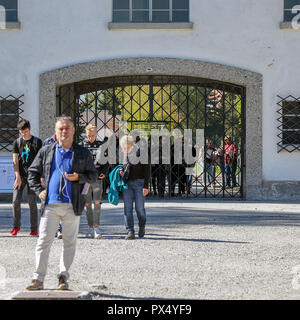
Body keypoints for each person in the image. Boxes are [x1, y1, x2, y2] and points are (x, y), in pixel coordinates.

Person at [25, 117, 97, 291]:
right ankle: (38, 279)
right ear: (56, 132)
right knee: (43, 241)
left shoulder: (82, 153)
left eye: (67, 128)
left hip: (72, 205)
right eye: (61, 129)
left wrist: (79, 177)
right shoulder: (46, 151)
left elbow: (93, 175)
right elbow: (32, 172)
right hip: (50, 205)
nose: (64, 131)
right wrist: (39, 190)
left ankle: (63, 277)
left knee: (69, 243)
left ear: (73, 131)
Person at [11, 119, 43, 236]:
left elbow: (41, 160)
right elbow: (15, 160)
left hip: (33, 177)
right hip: (20, 176)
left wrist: (41, 176)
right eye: (21, 131)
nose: (23, 133)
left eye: (25, 131)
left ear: (29, 128)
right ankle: (16, 227)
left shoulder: (37, 142)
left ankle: (34, 229)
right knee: (15, 201)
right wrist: (17, 176)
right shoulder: (17, 143)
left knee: (32, 202)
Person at [119, 135, 150, 240]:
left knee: (139, 209)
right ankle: (130, 231)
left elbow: (147, 169)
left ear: (132, 145)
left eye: (126, 148)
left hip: (140, 183)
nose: (125, 150)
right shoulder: (124, 153)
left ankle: (142, 225)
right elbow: (123, 166)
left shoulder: (141, 152)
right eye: (123, 148)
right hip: (127, 184)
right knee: (127, 208)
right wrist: (121, 171)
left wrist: (146, 186)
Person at [82, 124, 109, 239]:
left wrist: (104, 172)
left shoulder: (101, 146)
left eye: (92, 135)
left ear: (96, 134)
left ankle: (96, 227)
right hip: (85, 179)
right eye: (89, 136)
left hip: (97, 178)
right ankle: (90, 227)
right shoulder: (81, 146)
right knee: (87, 203)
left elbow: (106, 161)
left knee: (97, 202)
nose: (91, 138)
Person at [42, 133, 63, 239]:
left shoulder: (67, 141)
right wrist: (41, 175)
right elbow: (42, 159)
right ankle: (51, 228)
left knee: (61, 202)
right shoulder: (47, 142)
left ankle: (60, 229)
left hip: (63, 176)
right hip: (49, 176)